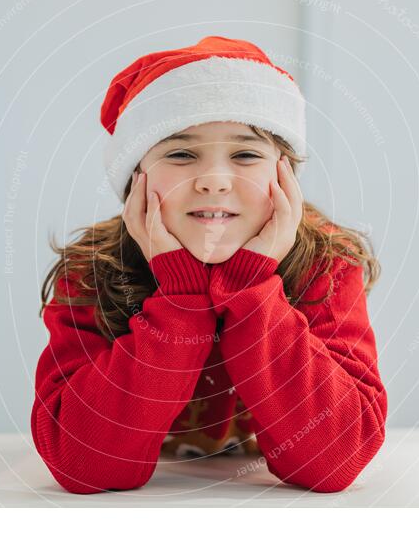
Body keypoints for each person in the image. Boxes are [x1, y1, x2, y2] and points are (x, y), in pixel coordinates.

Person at [30, 35, 386, 494]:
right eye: (180, 153)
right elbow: (82, 464)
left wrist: (252, 287)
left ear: (285, 176)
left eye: (245, 154)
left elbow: (334, 461)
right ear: (134, 178)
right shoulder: (90, 270)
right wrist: (180, 298)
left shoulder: (326, 264)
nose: (214, 181)